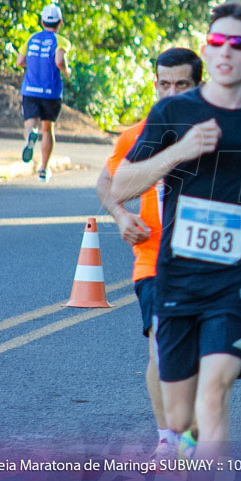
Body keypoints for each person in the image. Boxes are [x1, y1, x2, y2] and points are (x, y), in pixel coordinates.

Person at [109, 1, 241, 460]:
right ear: (206, 48)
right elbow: (122, 183)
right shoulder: (174, 112)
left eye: (238, 44)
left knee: (214, 394)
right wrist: (178, 153)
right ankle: (179, 442)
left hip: (232, 282)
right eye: (217, 42)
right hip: (176, 278)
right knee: (179, 419)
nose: (226, 52)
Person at [96, 47, 202, 460]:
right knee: (162, 343)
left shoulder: (220, 136)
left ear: (198, 86)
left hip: (209, 262)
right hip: (154, 259)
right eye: (164, 83)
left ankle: (191, 432)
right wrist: (121, 217)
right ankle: (168, 438)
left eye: (182, 84)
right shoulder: (135, 135)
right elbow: (107, 185)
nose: (171, 92)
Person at [17, 3, 71, 181]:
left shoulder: (31, 38)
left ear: (41, 21)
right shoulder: (61, 41)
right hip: (51, 92)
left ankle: (29, 138)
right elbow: (59, 60)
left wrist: (33, 62)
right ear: (60, 22)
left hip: (30, 89)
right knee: (47, 130)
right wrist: (66, 71)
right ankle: (43, 168)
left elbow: (20, 61)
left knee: (30, 124)